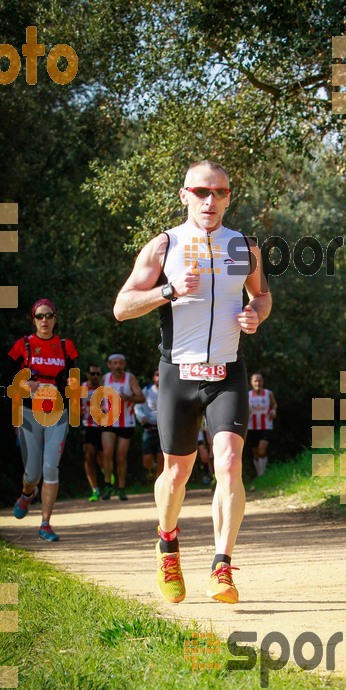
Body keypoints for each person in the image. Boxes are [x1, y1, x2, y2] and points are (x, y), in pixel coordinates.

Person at [113, 159, 271, 604]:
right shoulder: (163, 247)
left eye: (219, 192)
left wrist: (254, 315)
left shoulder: (244, 247)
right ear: (184, 195)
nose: (210, 200)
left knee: (227, 464)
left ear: (228, 197)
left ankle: (222, 566)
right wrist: (169, 290)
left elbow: (262, 295)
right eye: (201, 191)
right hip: (177, 375)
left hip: (227, 372)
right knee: (176, 473)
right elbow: (122, 307)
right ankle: (167, 543)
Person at [6, 298, 78, 541]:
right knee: (32, 473)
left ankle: (45, 523)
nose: (44, 320)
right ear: (33, 319)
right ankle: (27, 494)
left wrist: (73, 385)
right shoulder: (23, 345)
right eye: (40, 316)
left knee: (50, 468)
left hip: (58, 413)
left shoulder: (66, 346)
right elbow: (6, 379)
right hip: (28, 413)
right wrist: (22, 384)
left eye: (48, 315)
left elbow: (74, 379)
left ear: (55, 319)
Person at [100, 353, 144, 501]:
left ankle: (121, 487)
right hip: (108, 422)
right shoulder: (105, 378)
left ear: (124, 364)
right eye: (115, 363)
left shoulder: (129, 378)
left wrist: (129, 398)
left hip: (126, 422)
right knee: (107, 453)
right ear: (109, 365)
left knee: (121, 456)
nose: (117, 366)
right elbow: (98, 398)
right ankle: (107, 485)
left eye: (120, 363)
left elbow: (141, 397)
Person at [134, 368, 164, 481]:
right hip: (149, 429)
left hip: (163, 430)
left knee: (162, 458)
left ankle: (158, 483)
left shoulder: (169, 391)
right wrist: (142, 417)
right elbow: (137, 407)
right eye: (157, 375)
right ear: (153, 377)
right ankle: (152, 469)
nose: (159, 377)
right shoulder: (146, 391)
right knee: (147, 460)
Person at [81, 363, 104, 501]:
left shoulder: (105, 388)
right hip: (88, 425)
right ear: (87, 374)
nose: (95, 376)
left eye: (98, 374)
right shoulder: (82, 388)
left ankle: (107, 478)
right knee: (89, 456)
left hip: (104, 426)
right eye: (93, 373)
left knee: (102, 459)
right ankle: (95, 489)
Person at [248, 372, 277, 476]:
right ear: (251, 382)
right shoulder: (248, 395)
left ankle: (262, 474)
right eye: (255, 381)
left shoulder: (268, 393)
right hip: (251, 427)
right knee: (255, 453)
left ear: (263, 382)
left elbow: (274, 405)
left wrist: (273, 411)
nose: (258, 383)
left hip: (266, 425)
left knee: (261, 450)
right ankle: (259, 473)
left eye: (259, 381)